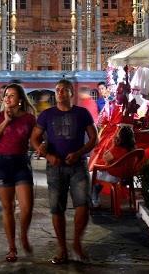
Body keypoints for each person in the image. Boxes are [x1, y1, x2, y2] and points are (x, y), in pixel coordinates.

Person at [31, 78, 98, 265]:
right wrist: (47, 155)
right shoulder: (46, 115)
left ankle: (77, 243)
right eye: (58, 89)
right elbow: (34, 138)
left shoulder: (82, 113)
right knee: (56, 208)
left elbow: (94, 138)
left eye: (64, 90)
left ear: (71, 93)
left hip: (78, 165)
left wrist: (79, 153)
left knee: (83, 205)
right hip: (55, 166)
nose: (60, 92)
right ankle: (62, 249)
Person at [0, 83, 36, 263]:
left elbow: (36, 138)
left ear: (20, 100)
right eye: (6, 95)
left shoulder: (29, 119)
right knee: (8, 208)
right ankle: (12, 247)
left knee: (27, 207)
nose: (7, 98)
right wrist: (6, 121)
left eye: (12, 95)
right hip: (1, 163)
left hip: (21, 163)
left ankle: (23, 235)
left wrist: (43, 147)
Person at [91, 124, 136, 207]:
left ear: (120, 136)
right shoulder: (134, 149)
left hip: (114, 176)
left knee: (89, 176)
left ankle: (94, 200)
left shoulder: (117, 149)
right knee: (97, 179)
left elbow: (105, 158)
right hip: (127, 176)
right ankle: (95, 196)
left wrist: (113, 144)